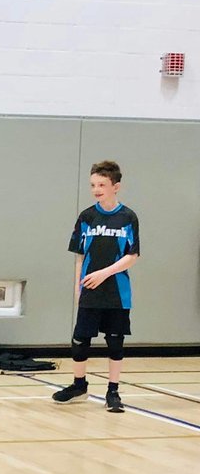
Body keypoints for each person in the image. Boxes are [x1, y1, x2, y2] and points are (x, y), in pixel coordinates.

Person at [52, 161, 139, 412]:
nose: (96, 189)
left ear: (116, 186)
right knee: (80, 339)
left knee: (115, 341)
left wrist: (104, 273)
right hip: (90, 288)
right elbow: (80, 255)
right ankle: (79, 385)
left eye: (102, 184)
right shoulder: (87, 216)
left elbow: (132, 255)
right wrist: (78, 286)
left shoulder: (127, 217)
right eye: (93, 185)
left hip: (117, 292)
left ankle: (113, 391)